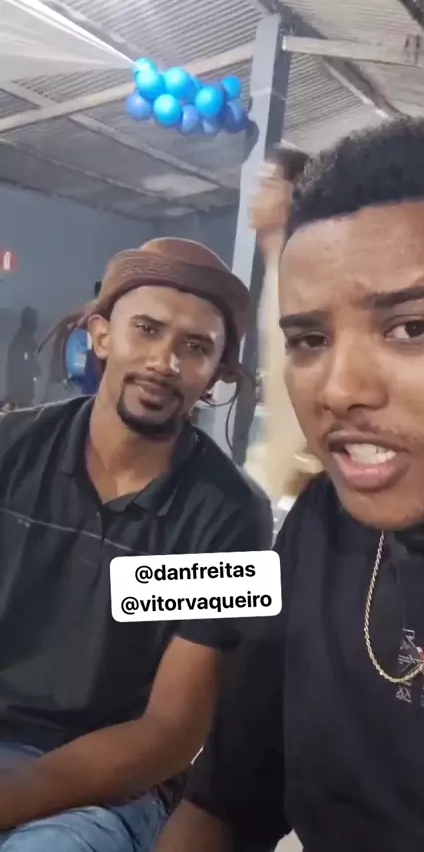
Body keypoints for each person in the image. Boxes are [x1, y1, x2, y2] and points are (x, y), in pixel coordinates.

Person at [157, 117, 424, 852]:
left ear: (223, 373)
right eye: (308, 340)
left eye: (412, 328)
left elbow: (169, 721)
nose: (338, 389)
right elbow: (225, 798)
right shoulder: (325, 525)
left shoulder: (227, 503)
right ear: (98, 335)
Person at [0, 237, 272, 850]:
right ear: (100, 336)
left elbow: (169, 734)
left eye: (195, 347)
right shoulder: (9, 452)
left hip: (112, 791)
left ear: (216, 376)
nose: (163, 362)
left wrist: (12, 799)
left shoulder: (234, 518)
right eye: (146, 329)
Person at [244, 146, 322, 507]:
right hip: (277, 467)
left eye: (269, 184)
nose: (256, 196)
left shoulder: (307, 283)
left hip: (300, 473)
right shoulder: (274, 274)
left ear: (294, 194)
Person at [6, 307, 40, 408]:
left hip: (23, 395)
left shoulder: (26, 340)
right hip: (20, 396)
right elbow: (20, 365)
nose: (36, 323)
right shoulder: (21, 341)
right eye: (34, 319)